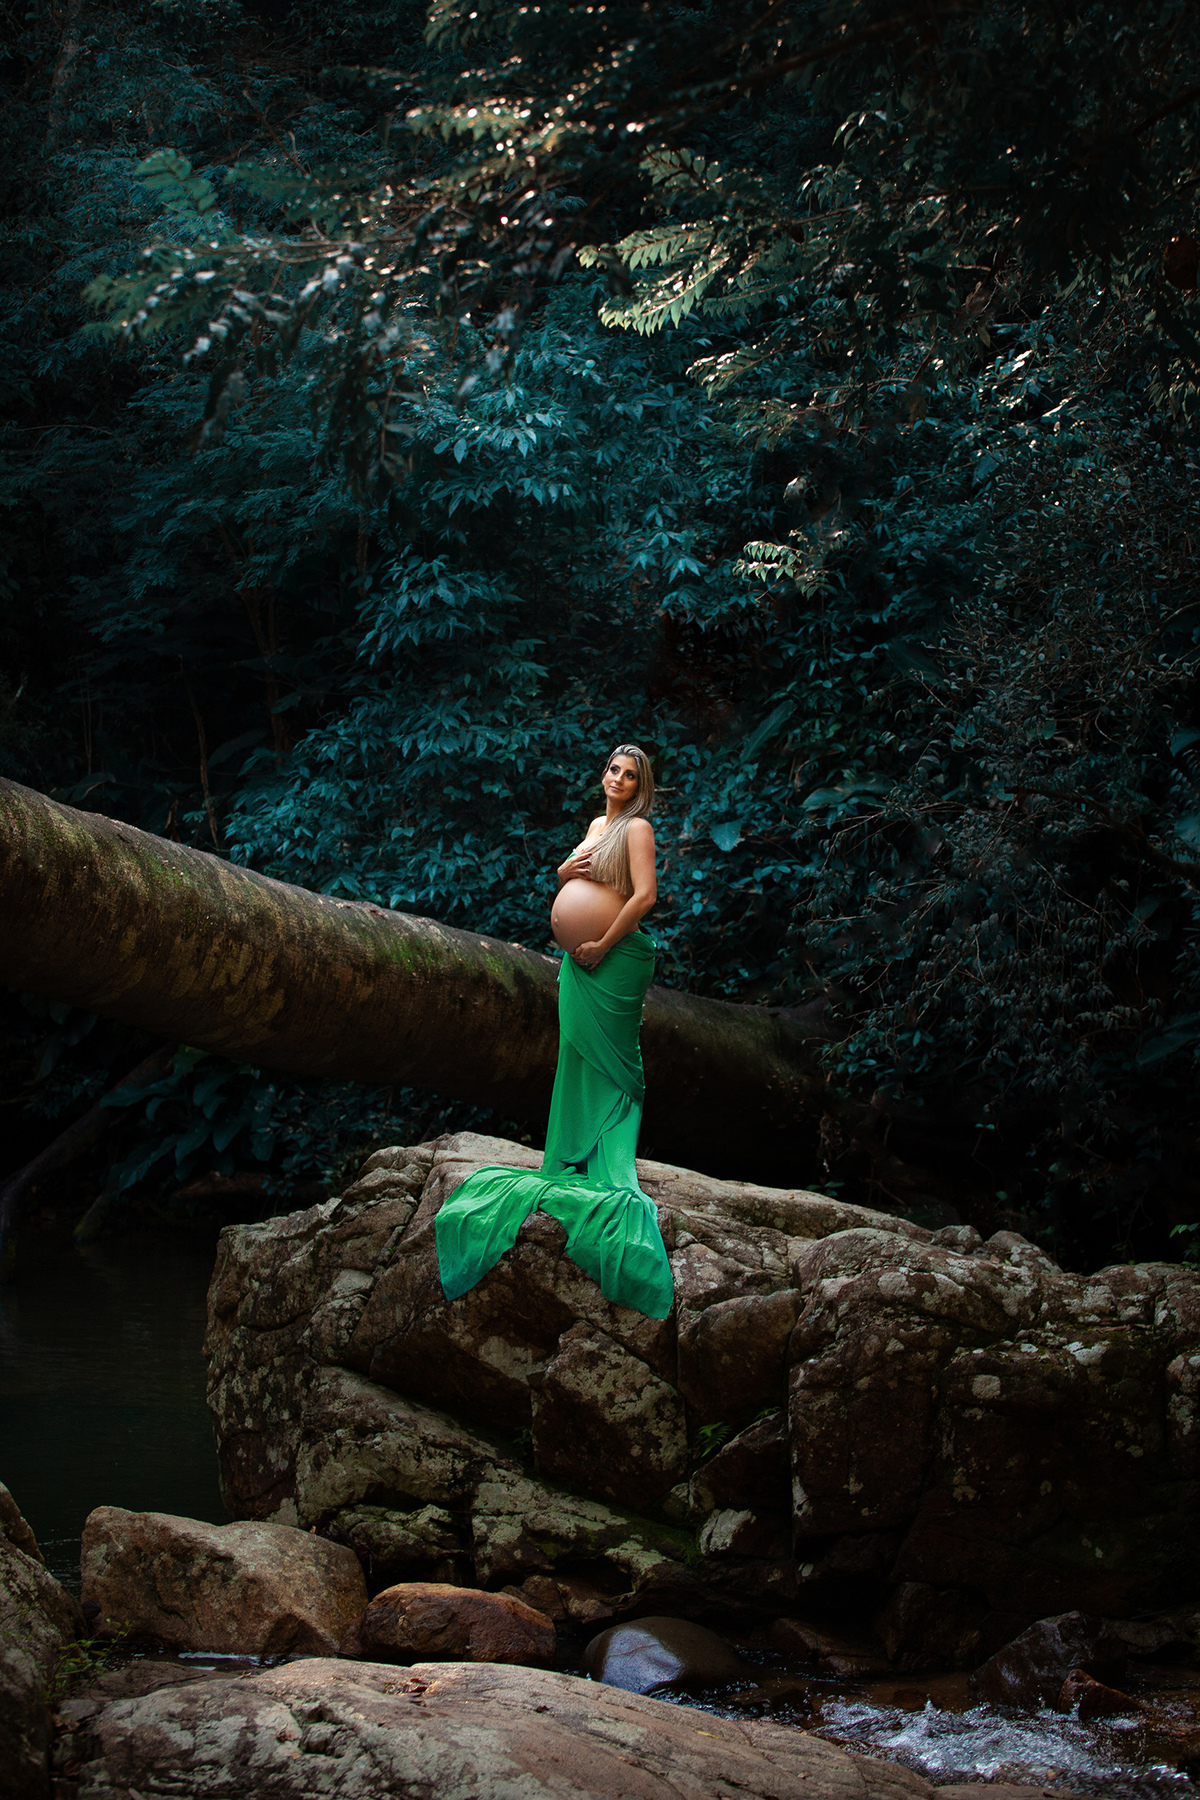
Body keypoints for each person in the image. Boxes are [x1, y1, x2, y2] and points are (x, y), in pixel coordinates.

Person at [434, 744, 674, 1319]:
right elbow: (568, 871)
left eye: (629, 774)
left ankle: (608, 1154)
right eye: (613, 769)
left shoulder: (638, 829)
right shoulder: (597, 824)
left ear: (641, 785)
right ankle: (571, 1149)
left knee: (614, 1057)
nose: (617, 778)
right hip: (578, 963)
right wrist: (569, 875)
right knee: (574, 1051)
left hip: (614, 959)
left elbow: (645, 896)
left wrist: (601, 943)